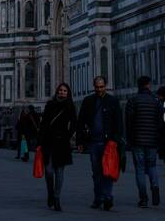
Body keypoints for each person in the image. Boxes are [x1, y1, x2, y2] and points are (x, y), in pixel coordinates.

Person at [77, 75, 123, 211]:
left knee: (107, 171)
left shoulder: (112, 101)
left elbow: (118, 122)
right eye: (97, 87)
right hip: (93, 142)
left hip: (108, 143)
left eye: (101, 87)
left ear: (106, 86)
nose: (99, 89)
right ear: (94, 87)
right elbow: (81, 122)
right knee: (96, 171)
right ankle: (98, 197)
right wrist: (80, 140)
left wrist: (115, 139)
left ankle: (107, 197)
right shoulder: (88, 101)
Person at [125, 75, 162, 208]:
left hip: (137, 140)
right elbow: (159, 122)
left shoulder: (133, 100)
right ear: (148, 85)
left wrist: (129, 139)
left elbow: (128, 122)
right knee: (152, 166)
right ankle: (155, 185)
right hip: (152, 140)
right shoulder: (156, 101)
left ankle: (144, 198)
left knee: (140, 168)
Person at [38, 82, 76, 212]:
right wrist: (40, 141)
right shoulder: (50, 105)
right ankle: (50, 193)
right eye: (60, 90)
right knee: (49, 171)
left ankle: (57, 197)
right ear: (57, 91)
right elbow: (44, 124)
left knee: (59, 172)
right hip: (48, 142)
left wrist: (67, 135)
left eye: (65, 91)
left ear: (68, 93)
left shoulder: (70, 106)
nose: (62, 93)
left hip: (62, 143)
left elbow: (74, 123)